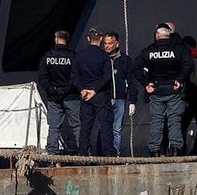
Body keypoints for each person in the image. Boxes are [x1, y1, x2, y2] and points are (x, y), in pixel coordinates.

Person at [135, 25, 193, 157]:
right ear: (169, 35)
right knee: (174, 120)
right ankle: (175, 149)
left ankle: (154, 150)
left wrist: (146, 83)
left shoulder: (149, 51)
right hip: (174, 88)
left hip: (156, 89)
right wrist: (180, 79)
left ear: (157, 35)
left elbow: (135, 68)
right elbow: (189, 63)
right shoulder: (178, 49)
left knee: (157, 121)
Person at [37, 29, 79, 154]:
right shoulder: (73, 56)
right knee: (77, 126)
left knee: (54, 127)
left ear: (56, 39)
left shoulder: (47, 56)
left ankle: (52, 153)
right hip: (71, 96)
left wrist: (52, 90)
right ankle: (82, 152)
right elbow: (76, 76)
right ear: (67, 40)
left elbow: (43, 77)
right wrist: (66, 90)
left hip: (53, 97)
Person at [73, 28, 113, 157]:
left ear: (88, 39)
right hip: (100, 94)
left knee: (85, 126)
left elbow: (74, 76)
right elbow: (107, 76)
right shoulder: (104, 56)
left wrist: (82, 89)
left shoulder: (79, 56)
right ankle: (109, 154)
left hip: (85, 95)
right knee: (105, 124)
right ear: (101, 39)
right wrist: (95, 90)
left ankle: (83, 153)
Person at [102, 31, 135, 157]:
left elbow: (131, 80)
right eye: (105, 43)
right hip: (105, 98)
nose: (107, 46)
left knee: (116, 129)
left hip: (120, 99)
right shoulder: (102, 59)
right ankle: (104, 155)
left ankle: (115, 154)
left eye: (110, 43)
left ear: (116, 44)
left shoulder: (125, 60)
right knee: (104, 129)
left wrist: (132, 101)